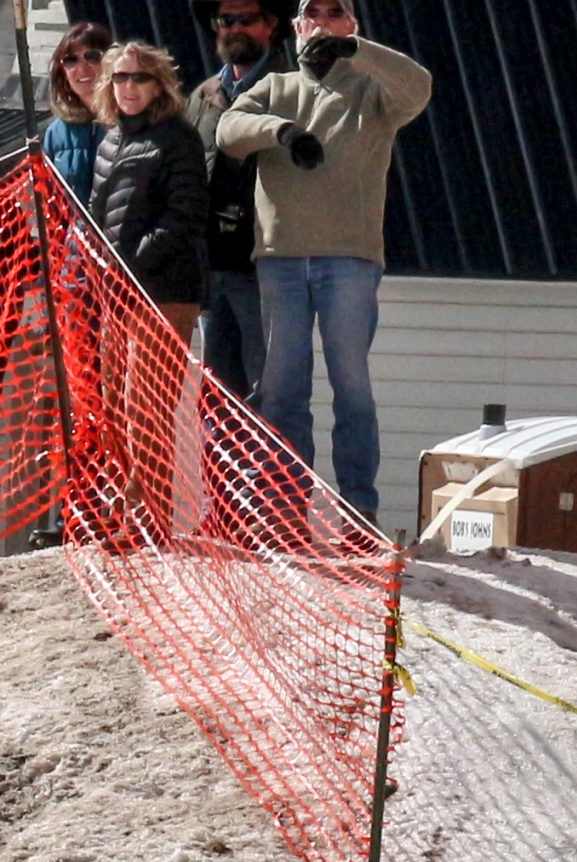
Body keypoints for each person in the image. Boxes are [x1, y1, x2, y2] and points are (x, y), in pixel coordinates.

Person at [219, 0, 431, 521]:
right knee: (282, 391)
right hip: (279, 259)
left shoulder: (371, 92)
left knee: (351, 388)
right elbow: (228, 132)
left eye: (335, 13)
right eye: (312, 14)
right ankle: (288, 511)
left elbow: (419, 86)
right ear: (295, 28)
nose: (322, 22)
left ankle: (359, 514)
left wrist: (355, 51)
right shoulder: (274, 88)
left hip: (350, 260)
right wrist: (283, 133)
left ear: (352, 25)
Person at [187, 0, 293, 402]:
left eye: (246, 19)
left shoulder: (290, 88)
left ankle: (270, 469)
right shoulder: (203, 95)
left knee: (269, 390)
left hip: (263, 267)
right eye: (225, 20)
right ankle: (218, 469)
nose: (234, 29)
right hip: (212, 268)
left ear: (271, 25)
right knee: (215, 393)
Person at [90, 42, 209, 341]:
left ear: (158, 87)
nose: (129, 85)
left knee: (148, 389)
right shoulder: (110, 140)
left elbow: (186, 215)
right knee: (111, 389)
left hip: (164, 293)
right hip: (115, 293)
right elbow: (97, 213)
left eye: (140, 77)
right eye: (120, 77)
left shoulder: (178, 137)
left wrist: (132, 262)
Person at [43, 22, 115, 206]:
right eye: (71, 60)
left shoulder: (130, 121)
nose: (82, 68)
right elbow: (50, 201)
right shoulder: (56, 133)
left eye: (92, 57)